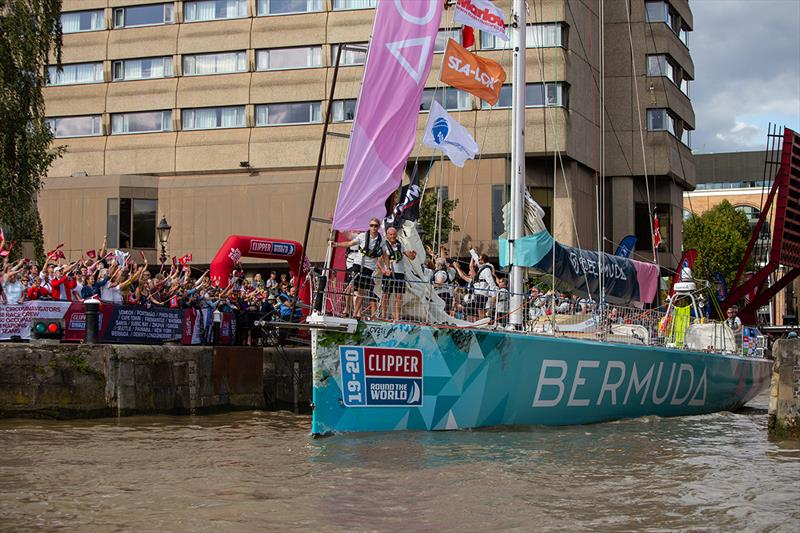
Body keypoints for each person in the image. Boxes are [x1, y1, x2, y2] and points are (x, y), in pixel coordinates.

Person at [331, 218, 383, 319]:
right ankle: (347, 307)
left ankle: (356, 313)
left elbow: (383, 253)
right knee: (351, 285)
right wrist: (334, 221)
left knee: (360, 290)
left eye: (375, 226)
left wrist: (386, 268)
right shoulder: (359, 236)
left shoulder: (379, 239)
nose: (373, 227)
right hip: (354, 263)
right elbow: (347, 237)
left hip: (368, 266)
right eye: (371, 225)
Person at [378, 226, 416, 320]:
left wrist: (413, 255)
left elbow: (410, 256)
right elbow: (378, 262)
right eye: (390, 234)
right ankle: (383, 316)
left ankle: (397, 317)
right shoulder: (384, 246)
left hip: (400, 273)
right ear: (387, 235)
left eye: (394, 234)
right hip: (388, 273)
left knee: (399, 296)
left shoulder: (400, 245)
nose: (392, 236)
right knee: (385, 295)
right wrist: (384, 270)